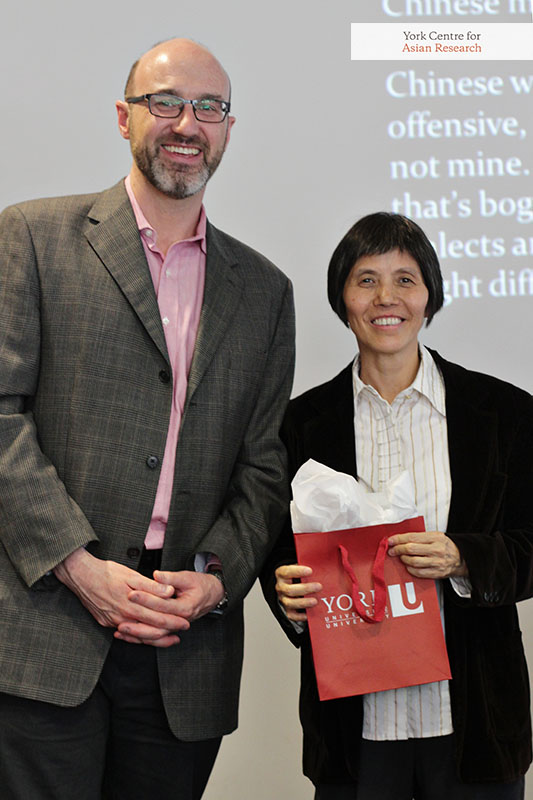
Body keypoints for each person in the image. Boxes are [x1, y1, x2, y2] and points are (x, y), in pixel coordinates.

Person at [0, 38, 294, 800]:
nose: (186, 123)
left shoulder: (264, 291)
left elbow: (263, 467)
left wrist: (213, 581)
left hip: (182, 647)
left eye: (208, 107)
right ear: (124, 116)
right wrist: (77, 564)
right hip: (46, 628)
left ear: (228, 128)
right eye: (165, 102)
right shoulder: (32, 238)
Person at [261, 212, 533, 800]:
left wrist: (464, 556)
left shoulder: (504, 413)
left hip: (473, 725)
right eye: (366, 279)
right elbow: (276, 547)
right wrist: (284, 587)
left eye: (405, 279)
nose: (387, 298)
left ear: (430, 294)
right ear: (342, 298)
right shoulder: (301, 424)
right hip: (354, 731)